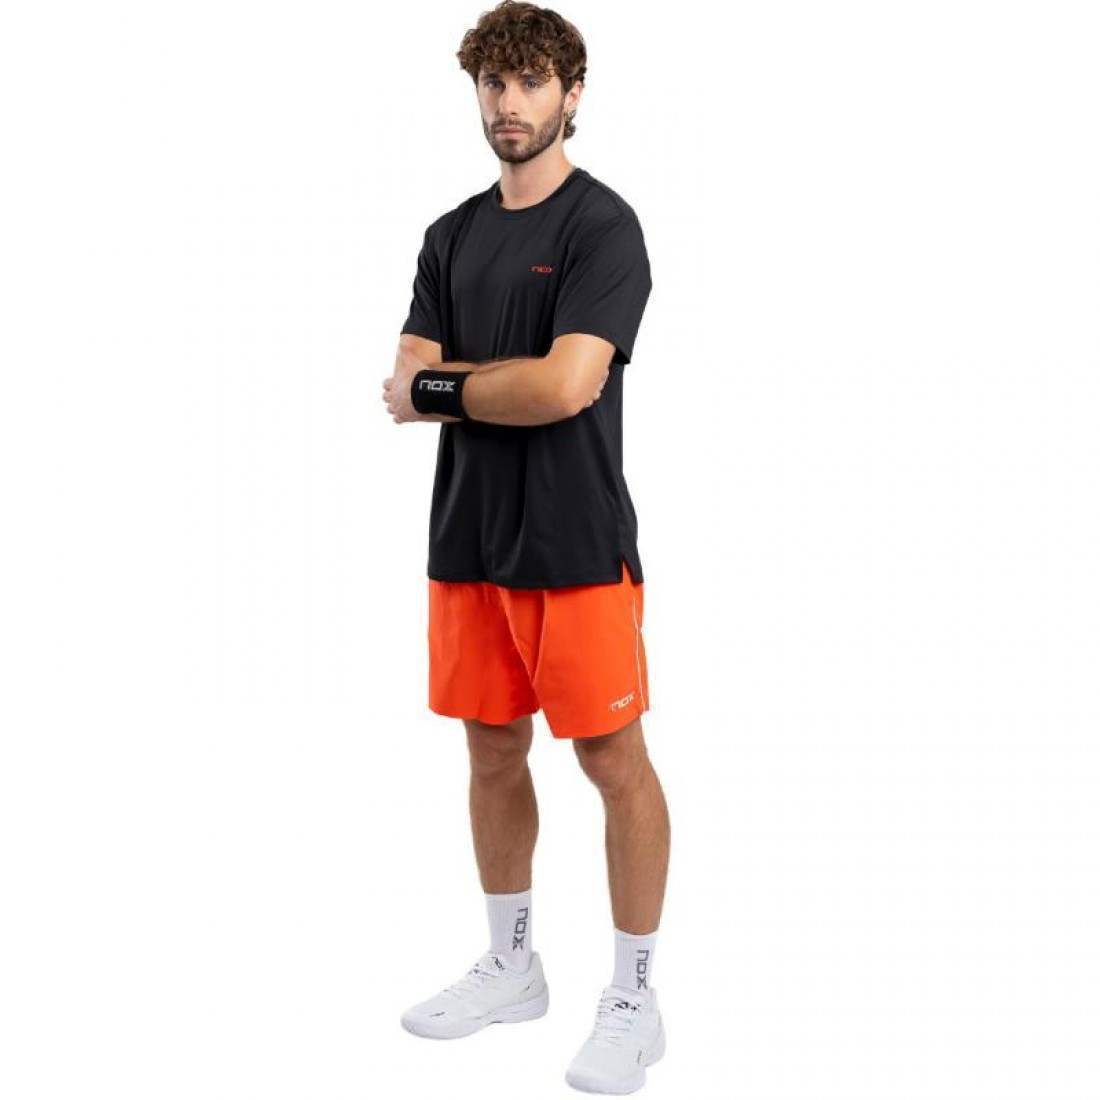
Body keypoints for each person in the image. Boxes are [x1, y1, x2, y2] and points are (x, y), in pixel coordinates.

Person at [381, 2, 671, 1092]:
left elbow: (564, 385)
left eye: (531, 82)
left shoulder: (604, 228)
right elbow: (400, 377)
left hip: (574, 541)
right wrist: (467, 385)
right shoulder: (449, 234)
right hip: (466, 538)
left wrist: (447, 387)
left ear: (572, 94)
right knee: (491, 749)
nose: (508, 103)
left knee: (612, 761)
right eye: (492, 83)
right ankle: (513, 966)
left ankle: (634, 997)